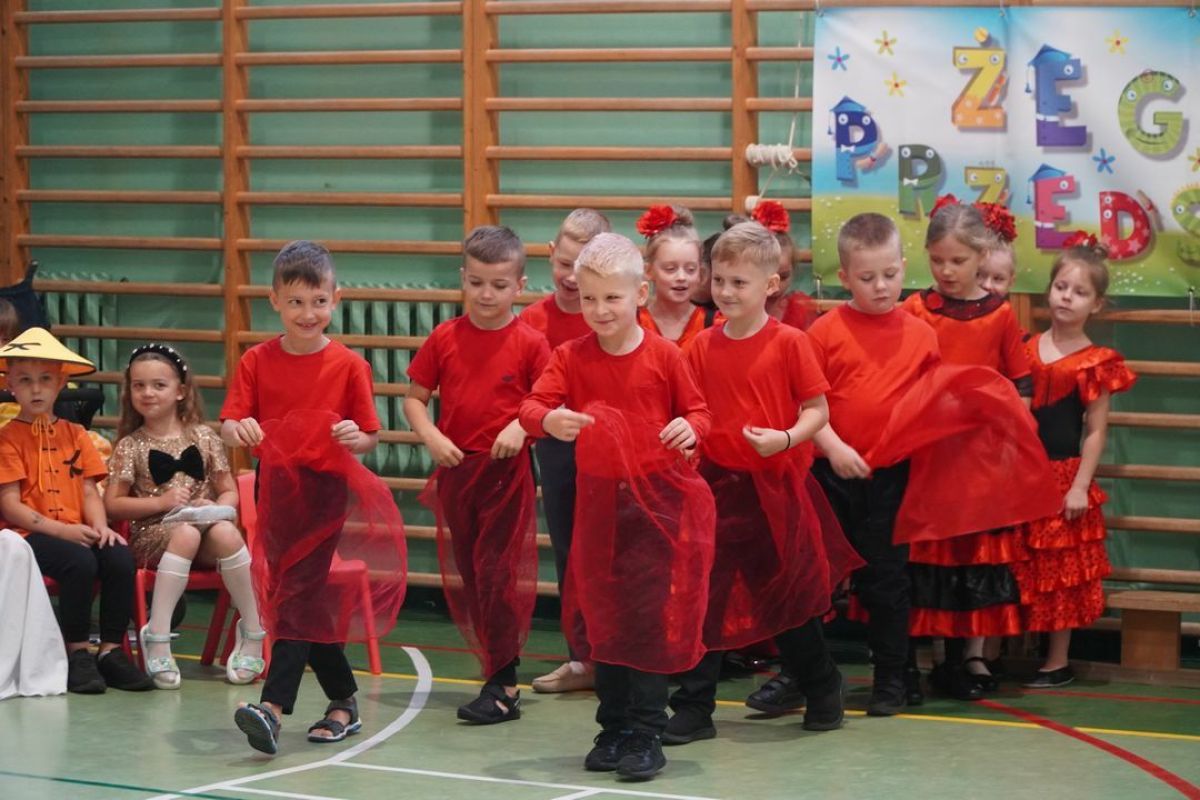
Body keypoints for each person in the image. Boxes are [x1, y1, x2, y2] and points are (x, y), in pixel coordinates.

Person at [519, 232, 714, 781]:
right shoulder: (570, 356)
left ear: (640, 294)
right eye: (589, 298)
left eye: (612, 297)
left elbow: (700, 413)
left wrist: (690, 428)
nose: (600, 309)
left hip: (657, 507)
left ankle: (647, 730)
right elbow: (531, 407)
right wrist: (548, 419)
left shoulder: (665, 356)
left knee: (646, 620)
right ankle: (613, 726)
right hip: (598, 508)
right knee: (603, 617)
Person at [666, 221, 860, 744]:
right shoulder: (700, 347)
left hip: (774, 490)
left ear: (771, 284)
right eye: (720, 280)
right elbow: (693, 409)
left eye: (739, 283)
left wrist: (787, 438)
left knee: (787, 601)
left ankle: (822, 684)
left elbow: (818, 411)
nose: (726, 292)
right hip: (715, 491)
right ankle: (694, 708)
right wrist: (688, 434)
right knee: (703, 597)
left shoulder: (791, 343)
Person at [223, 240, 404, 755]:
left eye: (319, 301)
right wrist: (241, 430)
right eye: (296, 302)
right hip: (276, 489)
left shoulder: (348, 365)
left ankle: (273, 707)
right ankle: (343, 701)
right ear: (274, 301)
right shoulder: (257, 360)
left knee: (296, 594)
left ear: (336, 299)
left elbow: (370, 436)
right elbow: (230, 424)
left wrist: (354, 436)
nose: (308, 313)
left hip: (324, 492)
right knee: (299, 598)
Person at [405, 226, 549, 722]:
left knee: (496, 574)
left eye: (499, 285)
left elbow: (547, 404)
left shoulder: (531, 343)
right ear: (463, 278)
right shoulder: (445, 337)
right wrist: (431, 436)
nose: (487, 294)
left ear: (520, 285)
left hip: (505, 476)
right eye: (477, 283)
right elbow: (414, 400)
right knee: (471, 574)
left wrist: (520, 426)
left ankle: (504, 683)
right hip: (456, 471)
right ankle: (495, 669)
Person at [900, 196, 1033, 700]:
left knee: (968, 558)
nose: (947, 271)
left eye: (958, 260)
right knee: (927, 558)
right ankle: (928, 661)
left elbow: (1020, 385)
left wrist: (1007, 435)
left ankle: (962, 659)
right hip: (927, 456)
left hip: (977, 460)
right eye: (937, 260)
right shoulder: (916, 309)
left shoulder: (1000, 316)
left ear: (981, 255)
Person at [808, 214, 940, 716]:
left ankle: (891, 678)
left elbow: (928, 406)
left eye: (890, 274)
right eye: (867, 277)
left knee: (886, 580)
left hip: (891, 479)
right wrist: (835, 448)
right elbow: (806, 406)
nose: (881, 286)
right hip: (830, 475)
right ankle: (806, 675)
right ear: (844, 277)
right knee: (816, 578)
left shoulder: (922, 335)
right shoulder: (823, 332)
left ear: (904, 266)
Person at [0, 327, 153, 694]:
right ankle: (77, 652)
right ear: (10, 385)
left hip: (76, 530)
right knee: (79, 562)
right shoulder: (6, 438)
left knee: (118, 556)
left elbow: (88, 490)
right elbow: (11, 506)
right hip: (29, 537)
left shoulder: (76, 433)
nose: (36, 389)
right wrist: (63, 531)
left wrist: (101, 527)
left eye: (45, 379)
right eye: (25, 380)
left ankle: (111, 651)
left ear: (60, 383)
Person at [104, 343, 264, 690]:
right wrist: (161, 503)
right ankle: (158, 635)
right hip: (153, 533)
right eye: (139, 385)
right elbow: (113, 505)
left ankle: (253, 629)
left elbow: (229, 492)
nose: (147, 393)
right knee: (186, 534)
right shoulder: (130, 445)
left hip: (202, 527)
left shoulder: (204, 436)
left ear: (181, 391)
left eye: (158, 385)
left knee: (226, 532)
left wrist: (215, 505)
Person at [1015, 236, 1135, 688]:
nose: (1067, 297)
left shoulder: (1095, 362)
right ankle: (987, 655)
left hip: (1062, 476)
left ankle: (1057, 660)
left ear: (1096, 304)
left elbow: (1096, 429)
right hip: (1020, 476)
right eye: (1061, 287)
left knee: (1060, 573)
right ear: (1049, 289)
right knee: (1015, 564)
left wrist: (1081, 485)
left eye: (1080, 292)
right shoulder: (1024, 348)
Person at [521, 208, 611, 694]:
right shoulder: (533, 322)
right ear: (551, 254)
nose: (572, 278)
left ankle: (624, 656)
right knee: (570, 553)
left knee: (617, 555)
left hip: (615, 454)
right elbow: (524, 400)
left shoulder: (614, 317)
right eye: (565, 264)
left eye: (584, 268)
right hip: (559, 453)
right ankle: (582, 658)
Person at [635, 204, 710, 348]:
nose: (681, 277)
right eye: (670, 269)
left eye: (690, 269)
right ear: (648, 271)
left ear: (700, 273)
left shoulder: (714, 324)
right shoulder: (633, 323)